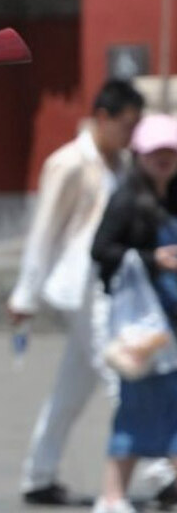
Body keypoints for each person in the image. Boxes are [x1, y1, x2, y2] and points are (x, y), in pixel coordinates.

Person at [7, 79, 148, 506]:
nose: (131, 134)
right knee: (124, 373)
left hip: (112, 284)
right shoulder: (68, 163)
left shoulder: (122, 165)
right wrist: (24, 296)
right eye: (126, 124)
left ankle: (38, 474)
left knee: (73, 386)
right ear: (103, 117)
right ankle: (163, 469)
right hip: (82, 286)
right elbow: (44, 231)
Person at [90, 113, 177, 513]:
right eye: (157, 151)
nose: (164, 158)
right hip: (143, 327)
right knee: (136, 408)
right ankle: (112, 496)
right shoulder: (126, 199)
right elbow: (101, 250)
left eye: (170, 151)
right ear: (140, 154)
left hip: (172, 324)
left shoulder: (173, 195)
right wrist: (152, 258)